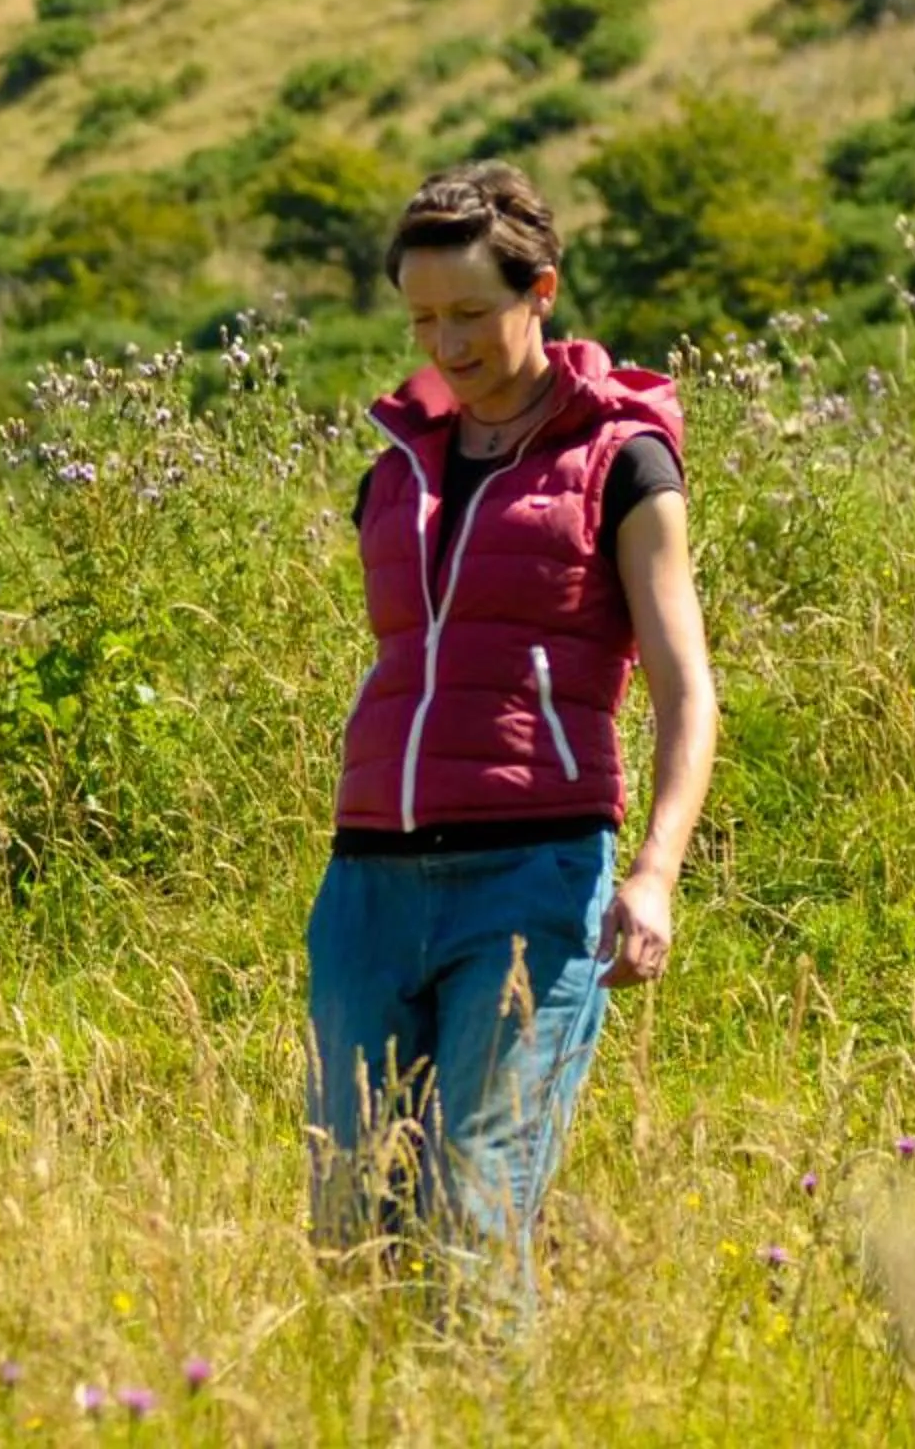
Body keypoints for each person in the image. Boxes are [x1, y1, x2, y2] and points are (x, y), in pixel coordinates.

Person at [309, 161, 718, 1303]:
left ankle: (487, 1396)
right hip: (367, 884)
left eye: (471, 314)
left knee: (473, 1215)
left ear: (541, 291)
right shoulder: (394, 472)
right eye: (421, 319)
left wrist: (655, 875)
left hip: (531, 878)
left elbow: (686, 687)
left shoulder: (622, 463)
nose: (445, 344)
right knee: (352, 1226)